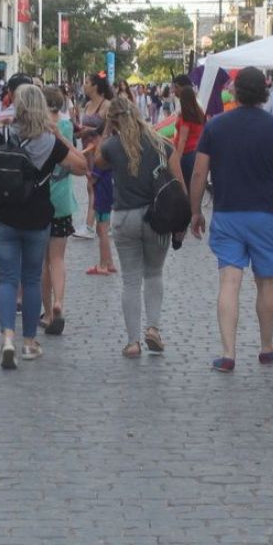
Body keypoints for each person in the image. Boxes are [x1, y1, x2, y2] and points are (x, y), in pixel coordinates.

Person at [189, 67, 273, 371]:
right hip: (265, 215)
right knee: (266, 282)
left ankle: (228, 353)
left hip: (227, 214)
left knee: (230, 280)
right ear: (265, 93)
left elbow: (199, 173)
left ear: (235, 92)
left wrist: (195, 211)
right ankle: (267, 346)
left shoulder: (215, 127)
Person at [0, 85, 87, 368]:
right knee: (32, 279)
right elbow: (82, 166)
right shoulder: (49, 141)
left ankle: (8, 338)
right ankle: (30, 343)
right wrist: (61, 138)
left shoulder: (4, 134)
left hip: (3, 216)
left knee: (8, 279)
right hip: (36, 217)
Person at [94, 98, 183, 358]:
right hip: (157, 217)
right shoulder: (160, 143)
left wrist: (108, 131)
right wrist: (183, 219)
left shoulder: (111, 145)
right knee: (154, 274)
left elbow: (97, 163)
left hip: (124, 217)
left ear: (113, 120)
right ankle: (153, 328)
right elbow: (178, 182)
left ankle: (133, 342)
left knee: (130, 280)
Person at [41, 86, 75, 336]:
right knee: (58, 258)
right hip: (62, 198)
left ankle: (47, 312)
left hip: (39, 200)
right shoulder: (66, 126)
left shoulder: (36, 126)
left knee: (42, 261)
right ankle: (59, 301)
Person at [77, 73, 114, 253]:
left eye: (87, 82)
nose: (84, 85)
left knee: (95, 185)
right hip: (87, 150)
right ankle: (99, 222)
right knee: (90, 185)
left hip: (100, 150)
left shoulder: (106, 105)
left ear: (96, 86)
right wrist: (80, 131)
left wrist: (88, 131)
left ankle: (90, 224)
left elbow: (108, 127)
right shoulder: (87, 105)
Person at [173, 83, 205, 189]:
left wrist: (176, 159)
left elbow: (183, 140)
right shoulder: (199, 113)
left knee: (185, 185)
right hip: (196, 152)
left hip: (186, 154)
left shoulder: (185, 118)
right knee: (194, 184)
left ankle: (189, 205)